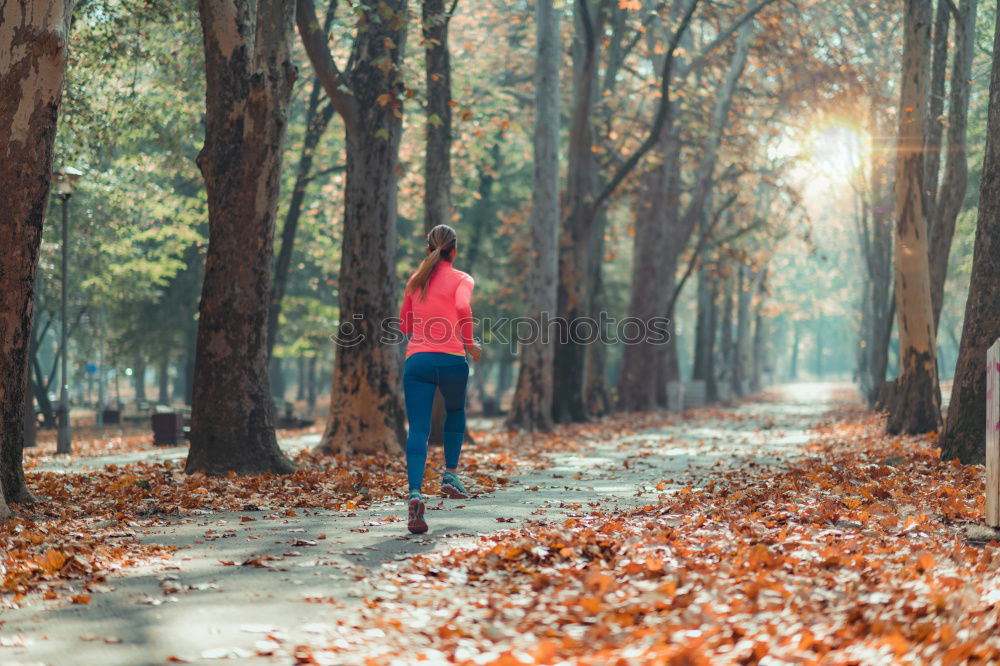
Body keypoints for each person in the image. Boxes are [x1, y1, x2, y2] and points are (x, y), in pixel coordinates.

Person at [399, 224, 481, 534]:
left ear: (428, 249)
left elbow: (405, 324)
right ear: (454, 250)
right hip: (451, 361)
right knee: (455, 413)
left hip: (417, 361)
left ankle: (415, 494)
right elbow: (462, 306)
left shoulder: (415, 280)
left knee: (418, 428)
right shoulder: (462, 278)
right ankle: (450, 475)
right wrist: (469, 343)